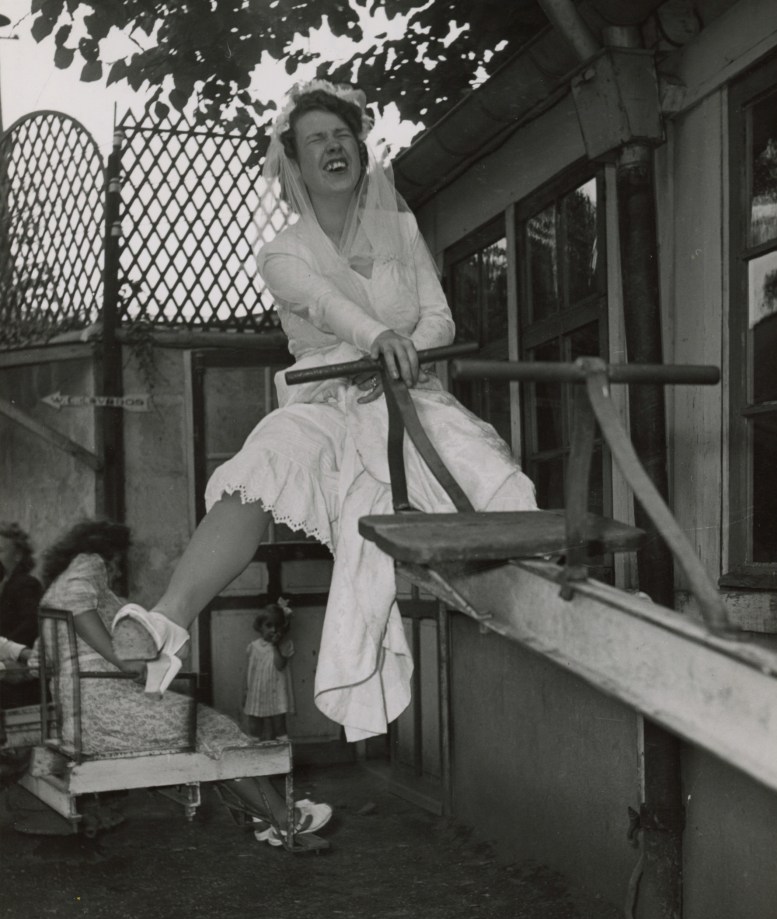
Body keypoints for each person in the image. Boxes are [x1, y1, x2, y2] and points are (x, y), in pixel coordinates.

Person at [114, 79, 537, 741]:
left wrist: (395, 357)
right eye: (316, 140)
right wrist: (376, 344)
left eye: (342, 135)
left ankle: (553, 580)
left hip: (404, 395)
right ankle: (167, 621)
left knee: (481, 470)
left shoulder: (399, 228)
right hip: (322, 396)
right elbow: (327, 309)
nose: (333, 147)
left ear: (359, 150)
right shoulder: (282, 253)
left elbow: (439, 320)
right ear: (295, 162)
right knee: (263, 462)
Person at [39, 519, 330, 842]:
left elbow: (41, 660)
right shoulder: (88, 563)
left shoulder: (53, 589)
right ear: (109, 553)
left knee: (204, 724)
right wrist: (121, 660)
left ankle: (266, 815)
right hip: (105, 705)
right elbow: (80, 609)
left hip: (83, 718)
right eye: (119, 563)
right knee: (208, 726)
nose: (118, 572)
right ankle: (283, 818)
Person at [0, 522, 43, 709]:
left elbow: (31, 623)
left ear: (18, 555)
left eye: (0, 550)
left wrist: (12, 656)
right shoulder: (5, 585)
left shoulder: (26, 584)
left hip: (20, 673)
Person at [243, 600, 295, 742]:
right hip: (257, 691)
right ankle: (255, 755)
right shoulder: (253, 647)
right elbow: (249, 672)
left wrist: (275, 646)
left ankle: (282, 755)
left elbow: (280, 665)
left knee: (279, 724)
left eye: (277, 626)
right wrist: (245, 691)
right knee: (255, 724)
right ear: (260, 627)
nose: (273, 630)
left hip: (276, 692)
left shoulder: (284, 646)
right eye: (268, 625)